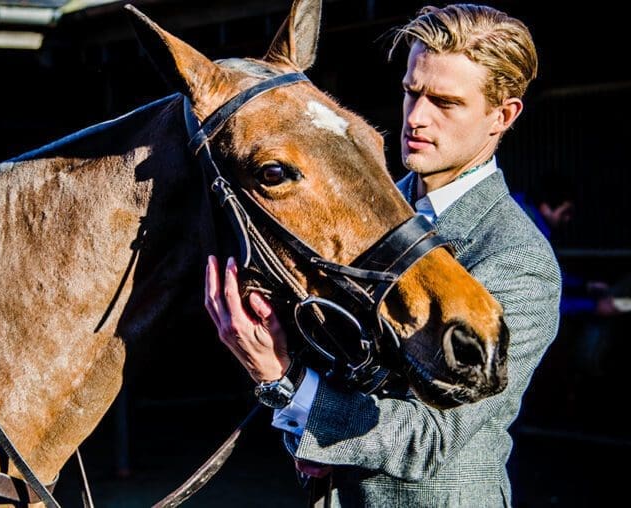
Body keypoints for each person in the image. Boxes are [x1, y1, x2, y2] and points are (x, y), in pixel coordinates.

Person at [204, 4, 561, 507]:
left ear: (502, 116)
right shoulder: (366, 212)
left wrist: (281, 379)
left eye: (446, 102)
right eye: (411, 92)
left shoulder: (517, 257)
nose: (416, 118)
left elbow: (428, 439)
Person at [513, 176, 621, 317]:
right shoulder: (529, 238)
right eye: (565, 212)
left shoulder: (520, 215)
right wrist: (592, 307)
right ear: (545, 208)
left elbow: (550, 278)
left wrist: (584, 286)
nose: (568, 219)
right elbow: (540, 300)